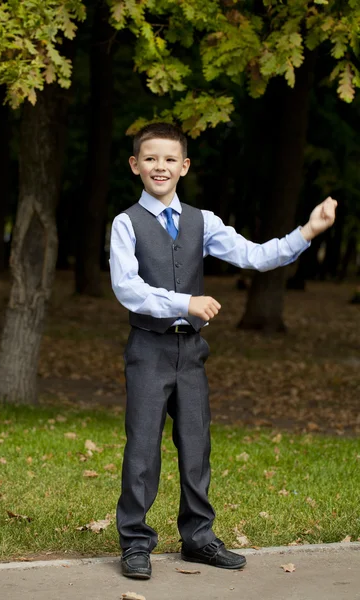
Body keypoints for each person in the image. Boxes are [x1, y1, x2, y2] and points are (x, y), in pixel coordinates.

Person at [109, 122, 337, 580]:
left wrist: (307, 232)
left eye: (170, 159)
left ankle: (198, 538)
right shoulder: (125, 223)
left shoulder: (202, 221)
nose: (160, 166)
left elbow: (255, 255)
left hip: (190, 352)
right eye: (150, 158)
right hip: (148, 351)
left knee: (196, 446)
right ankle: (135, 542)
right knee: (142, 451)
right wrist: (183, 302)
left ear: (184, 166)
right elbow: (126, 288)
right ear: (135, 165)